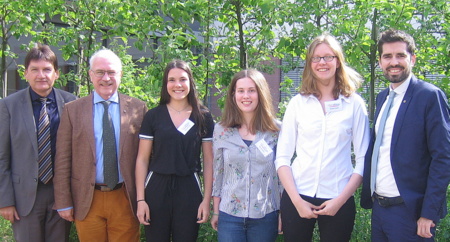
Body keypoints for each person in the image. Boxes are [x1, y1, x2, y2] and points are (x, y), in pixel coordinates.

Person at [275, 33, 370, 241]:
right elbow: (282, 158)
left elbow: (363, 160)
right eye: (316, 58)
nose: (322, 63)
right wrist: (297, 201)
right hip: (298, 195)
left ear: (338, 61)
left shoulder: (354, 104)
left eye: (328, 57)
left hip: (338, 197)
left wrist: (340, 200)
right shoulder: (297, 104)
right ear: (310, 64)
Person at [360, 29, 450, 241]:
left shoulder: (429, 96)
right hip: (379, 209)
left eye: (401, 55)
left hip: (411, 212)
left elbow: (443, 157)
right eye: (387, 56)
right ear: (380, 62)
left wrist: (428, 213)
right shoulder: (383, 98)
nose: (394, 62)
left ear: (413, 59)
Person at [53, 48, 147, 241]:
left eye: (111, 72)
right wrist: (63, 201)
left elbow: (147, 156)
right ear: (90, 75)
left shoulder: (138, 109)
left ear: (120, 75)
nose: (106, 78)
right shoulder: (73, 110)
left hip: (125, 197)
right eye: (100, 72)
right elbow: (62, 159)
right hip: (87, 199)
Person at [0, 43, 76, 241]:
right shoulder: (9, 106)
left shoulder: (72, 103)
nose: (41, 75)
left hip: (61, 195)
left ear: (57, 73)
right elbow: (2, 157)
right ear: (26, 73)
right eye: (34, 69)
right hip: (24, 197)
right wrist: (5, 200)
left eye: (47, 69)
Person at [135, 60, 214, 242]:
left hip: (189, 189)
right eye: (172, 80)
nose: (177, 85)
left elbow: (209, 161)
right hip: (156, 188)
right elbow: (142, 159)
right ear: (165, 84)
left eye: (182, 79)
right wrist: (141, 200)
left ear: (190, 83)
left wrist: (206, 200)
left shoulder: (203, 117)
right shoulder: (153, 116)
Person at [210, 69, 282, 242]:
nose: (246, 96)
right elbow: (218, 174)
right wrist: (216, 210)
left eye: (251, 90)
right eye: (241, 91)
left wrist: (283, 212)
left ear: (260, 93)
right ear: (234, 95)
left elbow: (282, 176)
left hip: (265, 215)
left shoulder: (276, 131)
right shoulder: (221, 131)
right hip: (230, 216)